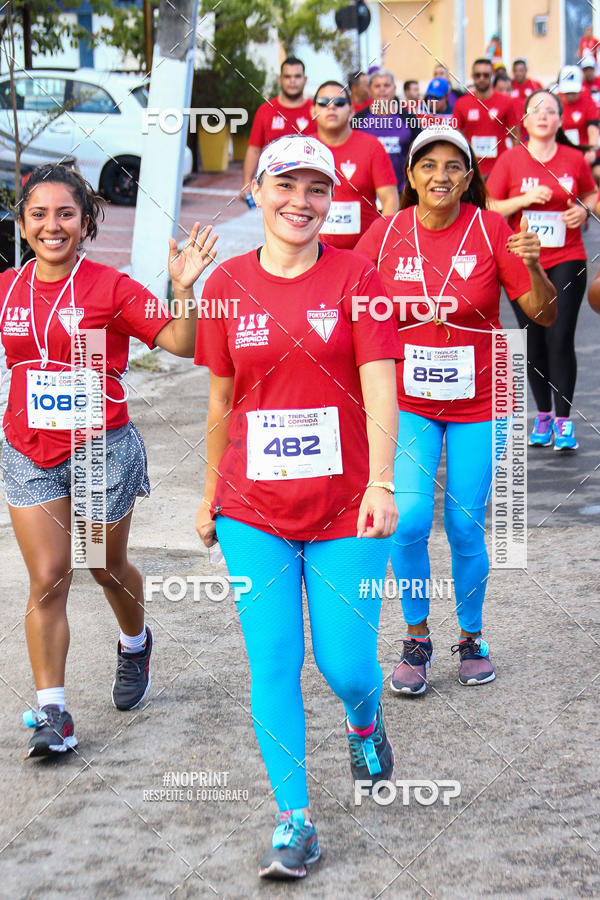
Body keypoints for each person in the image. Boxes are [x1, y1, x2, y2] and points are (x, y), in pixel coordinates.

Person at [194, 134, 400, 879]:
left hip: (347, 506)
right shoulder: (225, 283)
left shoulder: (359, 277)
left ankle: (364, 719)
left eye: (317, 188)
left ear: (332, 200)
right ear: (257, 191)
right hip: (253, 510)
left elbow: (381, 385)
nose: (300, 201)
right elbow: (220, 399)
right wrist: (209, 493)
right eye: (285, 185)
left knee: (345, 664)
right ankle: (294, 819)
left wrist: (382, 482)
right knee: (274, 660)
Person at [0, 164, 218, 757]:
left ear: (86, 222)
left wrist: (183, 287)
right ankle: (53, 714)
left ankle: (135, 643)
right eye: (39, 214)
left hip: (99, 452)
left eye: (65, 214)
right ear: (22, 223)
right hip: (28, 451)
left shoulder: (109, 288)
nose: (52, 226)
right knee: (49, 576)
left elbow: (182, 343)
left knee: (104, 565)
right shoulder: (8, 288)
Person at [355, 126, 555, 694]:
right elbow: (345, 300)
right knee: (410, 519)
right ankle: (416, 636)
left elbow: (543, 315)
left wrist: (536, 267)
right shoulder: (385, 233)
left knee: (465, 524)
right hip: (408, 402)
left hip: (484, 400)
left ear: (468, 178)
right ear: (411, 174)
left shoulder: (491, 229)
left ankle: (471, 636)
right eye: (428, 164)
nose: (440, 176)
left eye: (452, 166)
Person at [487, 90, 596, 450]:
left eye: (550, 111)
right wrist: (524, 200)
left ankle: (564, 421)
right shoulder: (510, 160)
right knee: (532, 338)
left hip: (567, 256)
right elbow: (490, 206)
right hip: (522, 261)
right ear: (524, 120)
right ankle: (544, 414)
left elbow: (591, 194)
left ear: (560, 120)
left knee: (559, 336)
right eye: (536, 110)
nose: (543, 116)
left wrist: (582, 210)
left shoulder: (573, 158)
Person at [314, 81, 398, 248]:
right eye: (323, 102)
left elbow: (390, 200)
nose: (331, 107)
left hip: (364, 255)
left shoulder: (371, 146)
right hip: (313, 255)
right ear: (313, 111)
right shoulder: (304, 148)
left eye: (339, 102)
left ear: (351, 111)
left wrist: (379, 245)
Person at [240, 57, 316, 203]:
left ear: (305, 79)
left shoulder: (316, 111)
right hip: (274, 187)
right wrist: (246, 182)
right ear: (280, 79)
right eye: (287, 77)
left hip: (309, 189)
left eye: (297, 76)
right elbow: (254, 149)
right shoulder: (266, 110)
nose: (292, 81)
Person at [353, 69, 421, 188]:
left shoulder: (409, 119)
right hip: (367, 190)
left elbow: (419, 154)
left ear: (394, 89)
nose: (382, 89)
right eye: (377, 86)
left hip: (402, 189)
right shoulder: (358, 119)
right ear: (369, 90)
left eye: (387, 85)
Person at [453, 58, 520, 177]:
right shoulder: (462, 103)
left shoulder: (506, 102)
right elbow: (456, 136)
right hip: (472, 169)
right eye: (477, 75)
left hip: (499, 168)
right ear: (472, 76)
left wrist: (514, 164)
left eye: (486, 75)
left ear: (492, 75)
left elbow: (515, 137)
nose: (481, 78)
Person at [556, 65, 599, 167]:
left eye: (573, 92)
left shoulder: (587, 99)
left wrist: (592, 150)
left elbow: (593, 128)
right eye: (567, 92)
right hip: (562, 151)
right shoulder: (555, 102)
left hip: (585, 149)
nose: (570, 95)